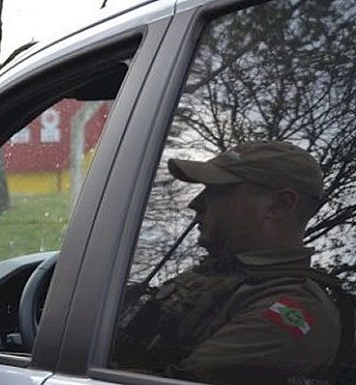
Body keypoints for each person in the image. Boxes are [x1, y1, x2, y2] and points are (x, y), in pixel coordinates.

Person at [113, 141, 344, 384]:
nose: (196, 204)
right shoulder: (217, 276)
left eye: (216, 190)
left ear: (279, 205)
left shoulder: (294, 308)